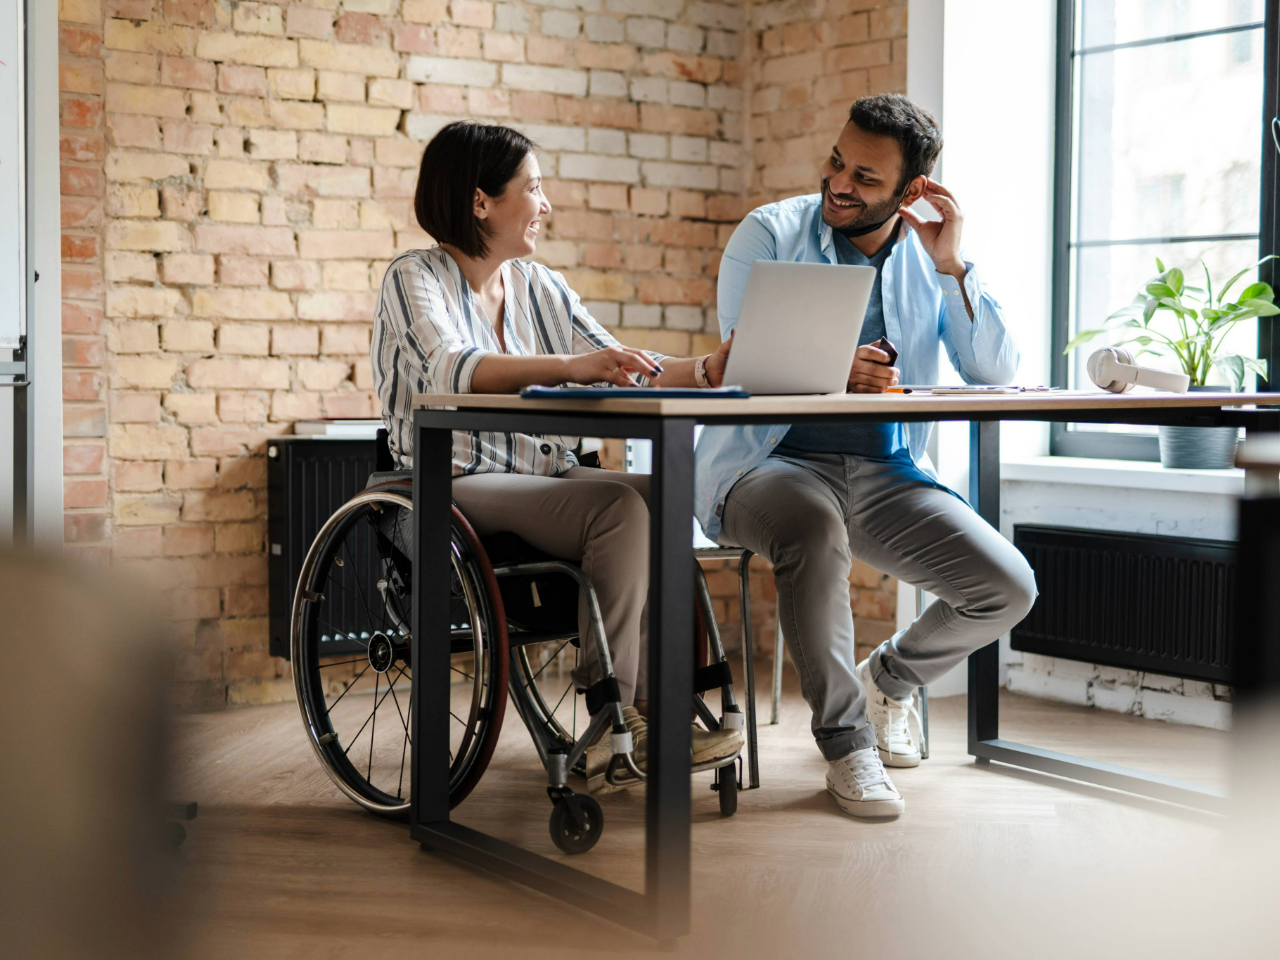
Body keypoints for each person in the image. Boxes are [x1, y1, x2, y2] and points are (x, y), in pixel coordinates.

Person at [371, 120, 742, 793]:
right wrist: (575, 365)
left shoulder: (541, 286)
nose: (546, 204)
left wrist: (710, 368)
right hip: (448, 481)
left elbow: (625, 364)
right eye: (533, 188)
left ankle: (666, 708)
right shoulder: (413, 278)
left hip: (540, 475)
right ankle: (613, 716)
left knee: (663, 494)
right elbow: (453, 368)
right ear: (481, 202)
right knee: (617, 507)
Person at [696, 94, 1038, 818]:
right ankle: (848, 746)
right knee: (814, 531)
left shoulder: (925, 253)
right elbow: (739, 362)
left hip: (887, 475)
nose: (840, 184)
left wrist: (953, 265)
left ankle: (888, 678)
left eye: (866, 178)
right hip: (767, 467)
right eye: (836, 161)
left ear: (911, 191)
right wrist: (833, 366)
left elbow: (996, 372)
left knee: (1007, 586)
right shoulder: (769, 233)